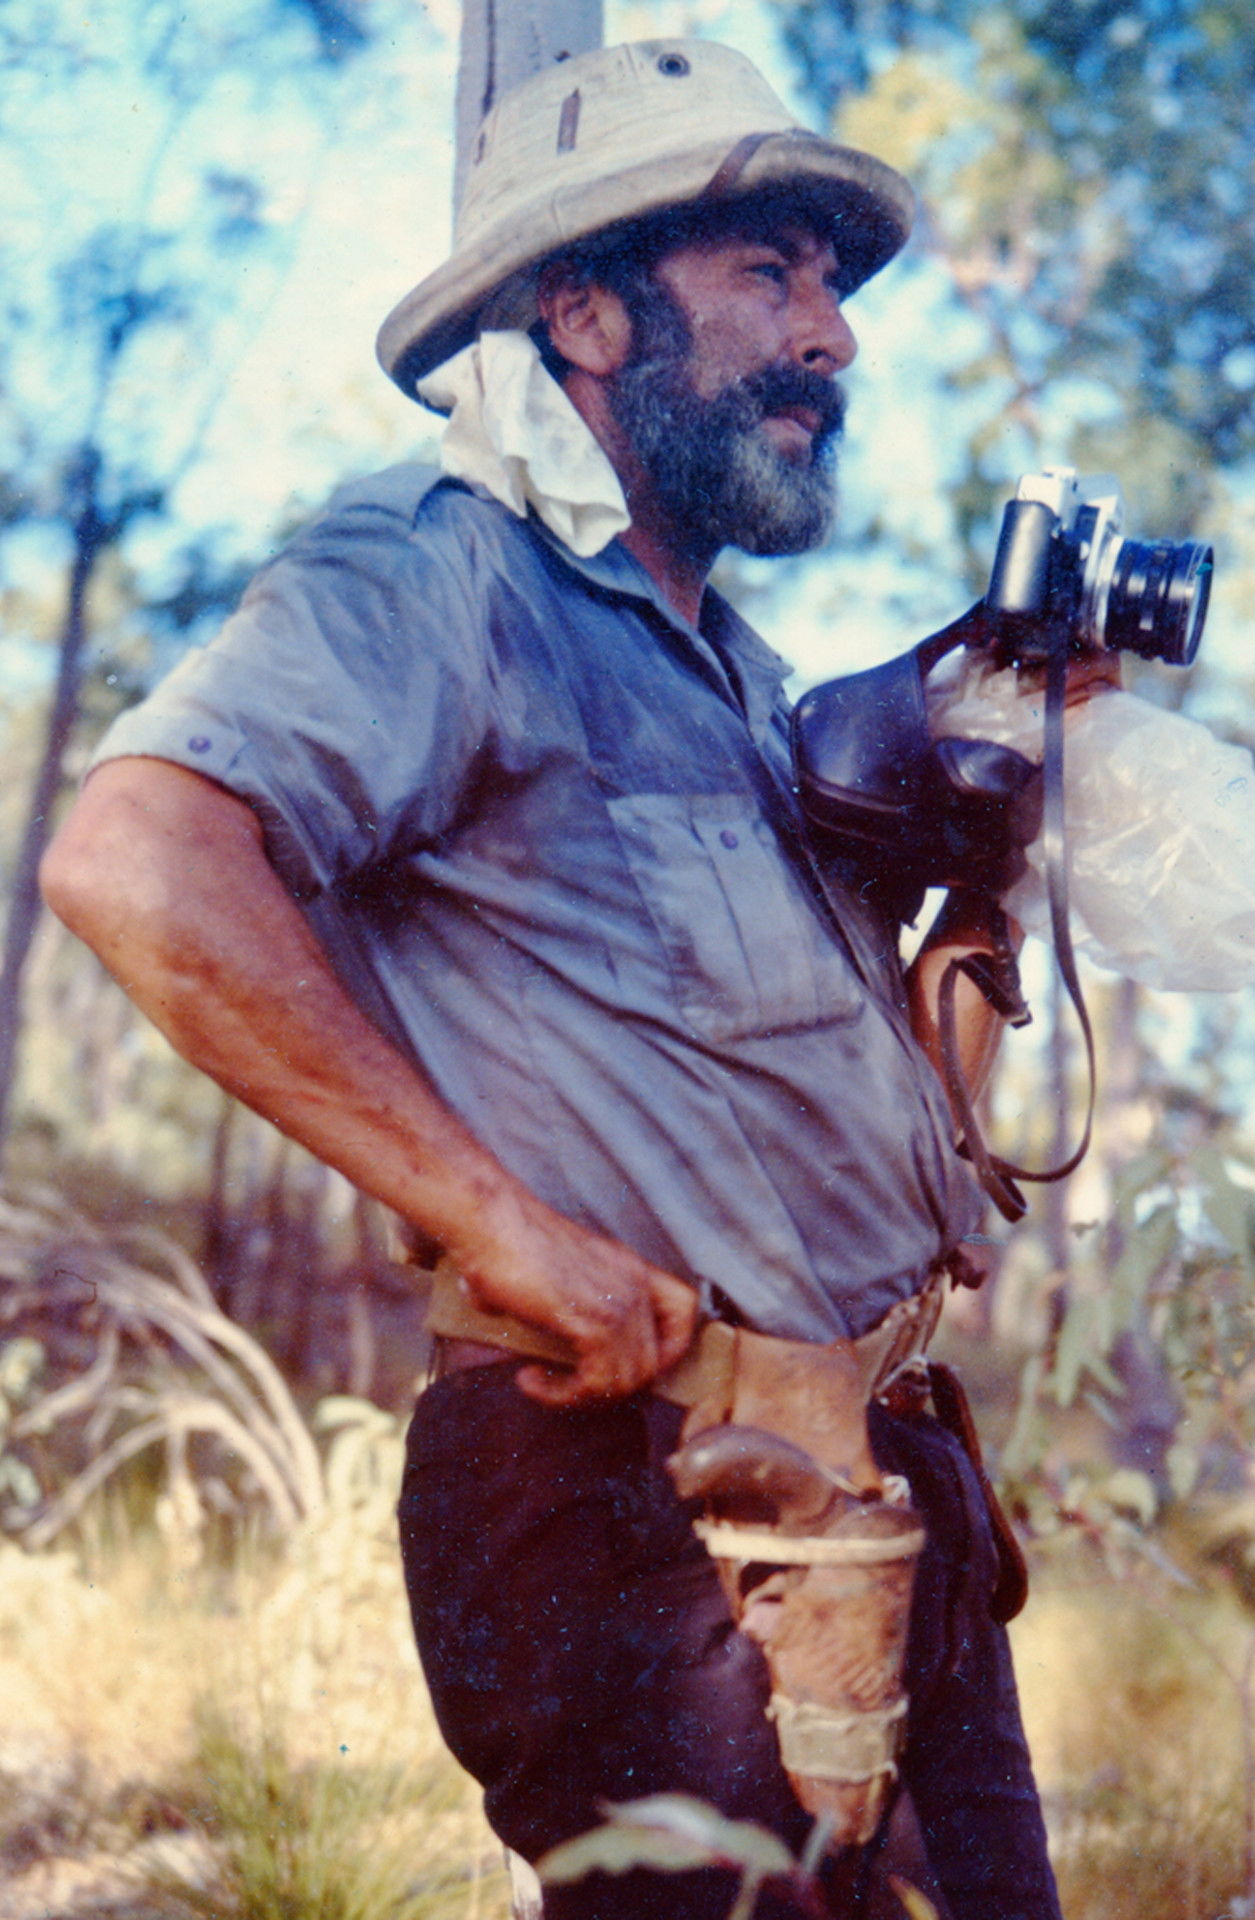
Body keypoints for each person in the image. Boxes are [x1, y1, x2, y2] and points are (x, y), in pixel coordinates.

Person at [41, 39, 1069, 1920]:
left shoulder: (740, 677)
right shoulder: (438, 569)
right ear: (584, 314)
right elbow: (138, 858)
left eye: (833, 285)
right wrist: (495, 1223)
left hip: (869, 1479)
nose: (834, 335)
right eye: (768, 273)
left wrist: (989, 857)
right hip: (642, 1500)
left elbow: (805, 1100)